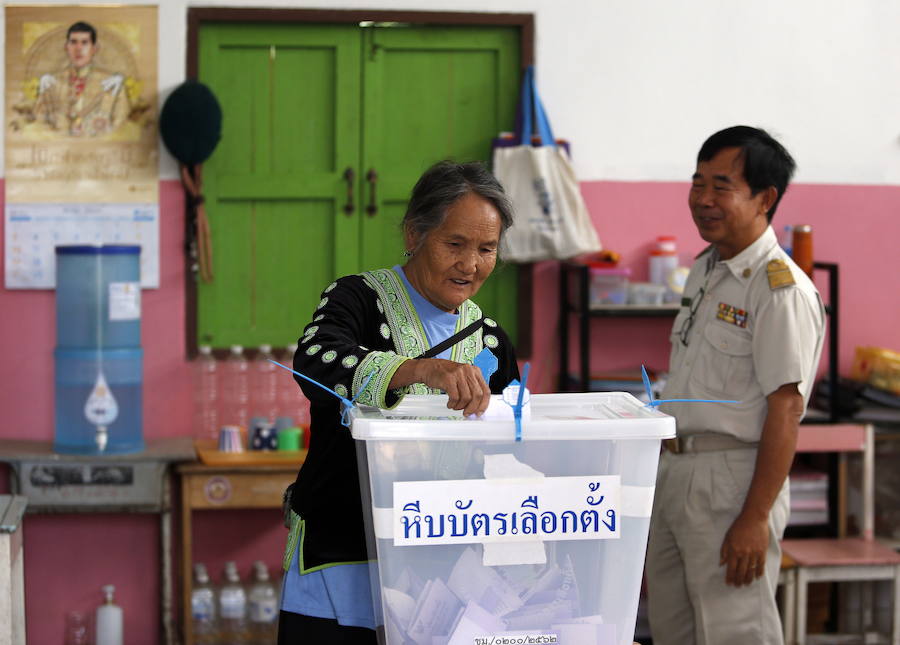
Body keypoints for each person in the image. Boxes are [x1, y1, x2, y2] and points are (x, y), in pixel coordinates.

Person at [278, 160, 520, 644]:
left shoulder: (490, 340)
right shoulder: (357, 299)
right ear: (415, 232)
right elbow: (315, 359)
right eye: (454, 244)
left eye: (486, 249)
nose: (470, 264)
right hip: (343, 556)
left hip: (446, 577)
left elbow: (509, 450)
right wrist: (419, 369)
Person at [646, 126, 825, 644]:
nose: (702, 200)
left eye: (721, 187)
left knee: (733, 632)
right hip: (677, 472)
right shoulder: (704, 269)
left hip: (733, 482)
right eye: (697, 183)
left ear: (765, 198)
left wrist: (755, 517)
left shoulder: (780, 289)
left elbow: (786, 410)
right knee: (674, 630)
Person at [29, 21, 130, 137]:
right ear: (66, 47)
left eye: (85, 43)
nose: (78, 48)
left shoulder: (112, 83)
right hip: (58, 151)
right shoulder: (50, 82)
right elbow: (38, 123)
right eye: (73, 42)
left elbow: (121, 126)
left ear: (95, 48)